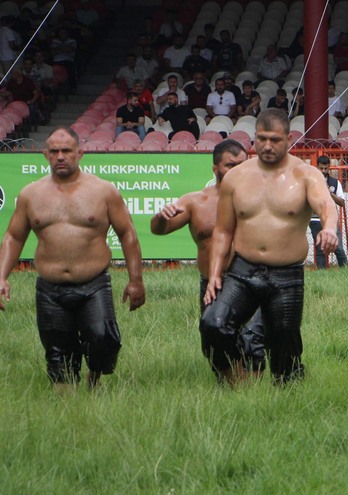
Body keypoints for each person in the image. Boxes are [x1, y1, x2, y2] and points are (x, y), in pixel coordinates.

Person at [201, 109, 339, 386]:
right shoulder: (236, 178)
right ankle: (237, 382)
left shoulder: (305, 174)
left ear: (288, 139)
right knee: (213, 323)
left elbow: (326, 205)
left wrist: (329, 229)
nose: (267, 145)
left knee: (284, 347)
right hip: (243, 269)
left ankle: (285, 392)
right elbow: (223, 231)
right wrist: (215, 273)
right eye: (261, 138)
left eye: (274, 139)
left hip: (286, 274)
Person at [0, 127, 145, 390]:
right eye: (54, 151)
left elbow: (128, 234)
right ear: (45, 155)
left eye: (66, 150)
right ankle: (67, 404)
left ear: (80, 153)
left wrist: (136, 280)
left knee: (104, 340)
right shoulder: (31, 194)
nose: (60, 156)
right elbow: (13, 236)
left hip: (94, 283)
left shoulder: (104, 191)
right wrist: (1, 277)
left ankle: (95, 379)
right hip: (50, 287)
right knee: (58, 356)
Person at [150, 140, 265, 376]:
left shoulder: (260, 199)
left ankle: (253, 394)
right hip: (212, 284)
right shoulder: (195, 202)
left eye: (241, 165)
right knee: (214, 338)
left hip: (250, 279)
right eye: (230, 165)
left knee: (252, 343)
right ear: (215, 169)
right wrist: (161, 217)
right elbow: (159, 229)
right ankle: (234, 390)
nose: (236, 171)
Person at [311, 156, 348, 268]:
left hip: (331, 219)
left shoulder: (335, 183)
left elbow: (341, 202)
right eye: (321, 168)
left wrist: (329, 193)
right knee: (320, 249)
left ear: (329, 168)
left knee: (339, 248)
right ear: (317, 167)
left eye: (325, 169)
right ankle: (322, 274)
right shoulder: (311, 182)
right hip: (315, 219)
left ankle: (347, 272)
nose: (323, 171)